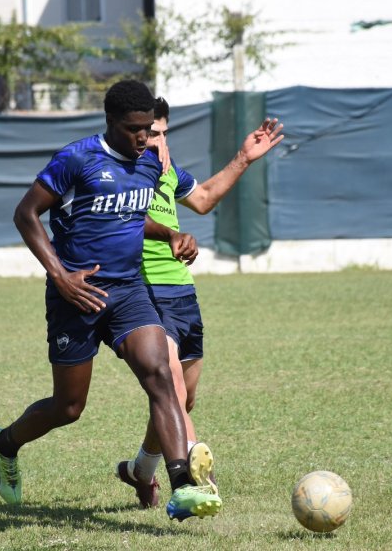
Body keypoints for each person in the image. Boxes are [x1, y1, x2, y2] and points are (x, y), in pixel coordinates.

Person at [0, 80, 222, 522]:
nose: (143, 138)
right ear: (111, 122)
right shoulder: (77, 159)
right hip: (77, 295)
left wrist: (171, 232)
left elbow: (131, 216)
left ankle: (182, 486)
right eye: (135, 129)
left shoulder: (150, 164)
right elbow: (25, 213)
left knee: (160, 375)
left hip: (130, 290)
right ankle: (4, 444)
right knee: (68, 408)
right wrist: (60, 276)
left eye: (149, 128)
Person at [115, 96, 284, 508]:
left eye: (163, 134)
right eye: (150, 134)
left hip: (182, 293)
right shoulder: (117, 175)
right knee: (170, 388)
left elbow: (205, 198)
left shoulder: (168, 170)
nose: (157, 142)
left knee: (182, 399)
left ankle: (140, 470)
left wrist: (244, 157)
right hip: (142, 293)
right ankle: (193, 474)